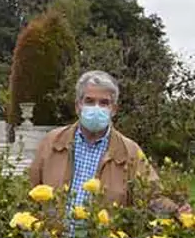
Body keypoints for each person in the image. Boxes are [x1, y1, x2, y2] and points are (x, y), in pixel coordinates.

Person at [29, 70, 186, 213]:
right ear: (78, 106)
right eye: (89, 101)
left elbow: (152, 196)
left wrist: (178, 212)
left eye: (104, 103)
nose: (96, 108)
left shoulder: (130, 151)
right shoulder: (52, 142)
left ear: (114, 109)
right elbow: (31, 190)